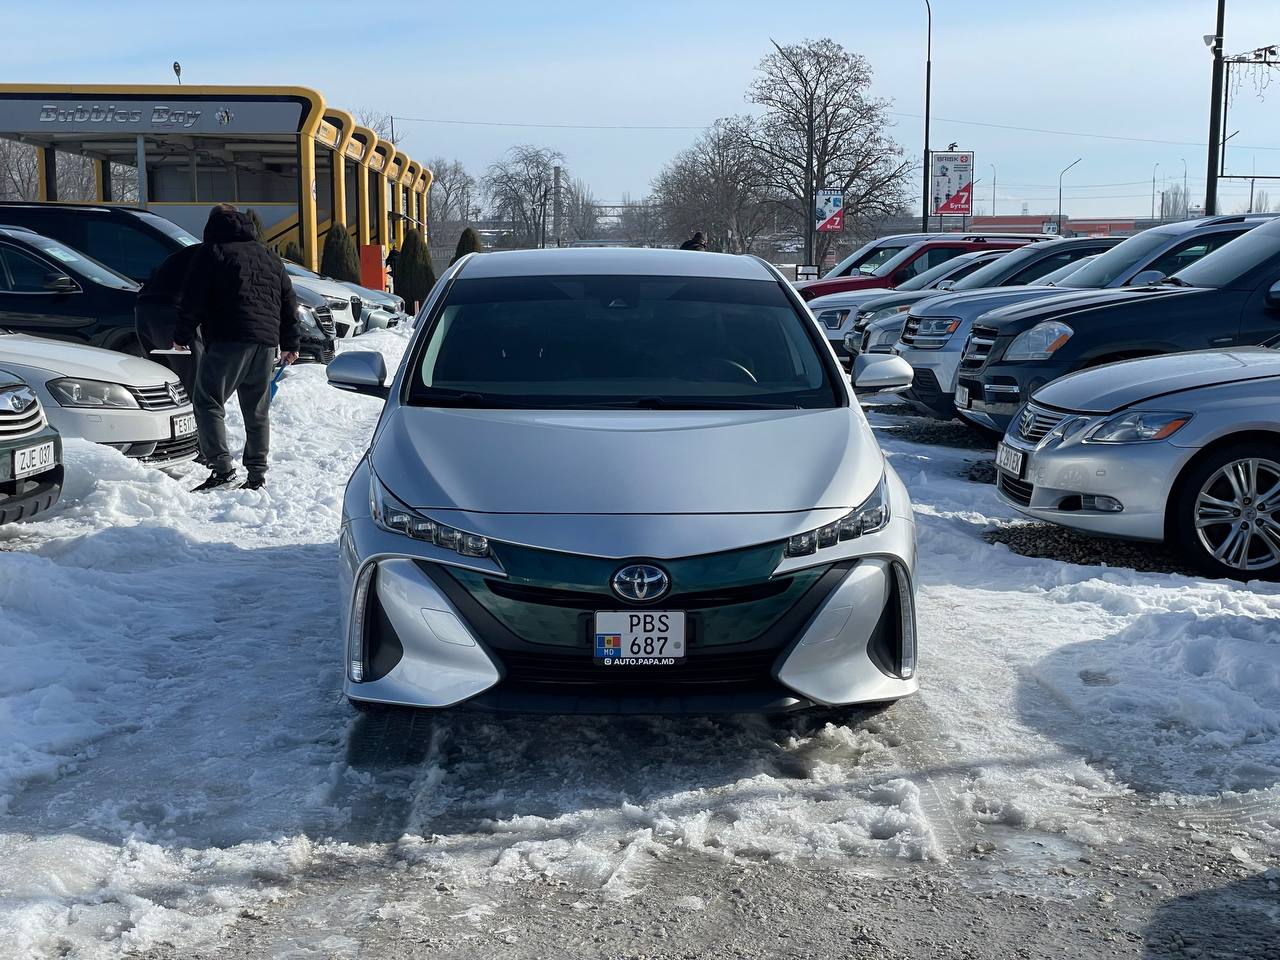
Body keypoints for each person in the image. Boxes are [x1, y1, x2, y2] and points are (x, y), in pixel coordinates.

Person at [175, 204, 299, 492]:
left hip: (229, 338)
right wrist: (290, 343)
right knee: (256, 410)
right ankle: (256, 475)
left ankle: (221, 469)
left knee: (207, 401)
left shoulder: (213, 252)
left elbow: (193, 297)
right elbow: (288, 300)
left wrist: (181, 334)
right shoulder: (268, 256)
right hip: (266, 342)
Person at [135, 243, 203, 399]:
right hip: (172, 312)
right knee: (194, 388)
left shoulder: (189, 252)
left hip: (144, 312)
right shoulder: (220, 256)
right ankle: (193, 420)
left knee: (161, 386)